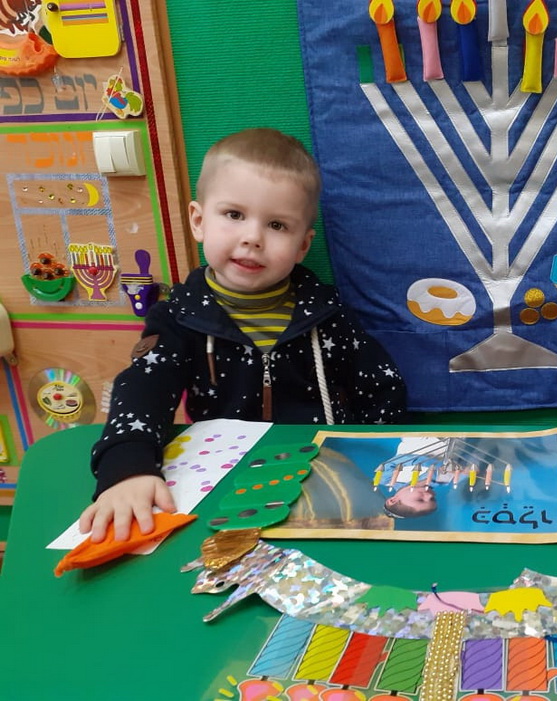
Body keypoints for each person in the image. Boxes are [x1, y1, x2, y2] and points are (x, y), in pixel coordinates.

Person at [80, 128, 408, 542]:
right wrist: (127, 469)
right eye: (234, 215)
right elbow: (143, 389)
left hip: (322, 480)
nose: (252, 237)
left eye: (277, 225)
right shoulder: (178, 317)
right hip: (224, 487)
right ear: (199, 221)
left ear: (302, 245)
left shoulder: (327, 313)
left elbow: (380, 386)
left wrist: (382, 454)